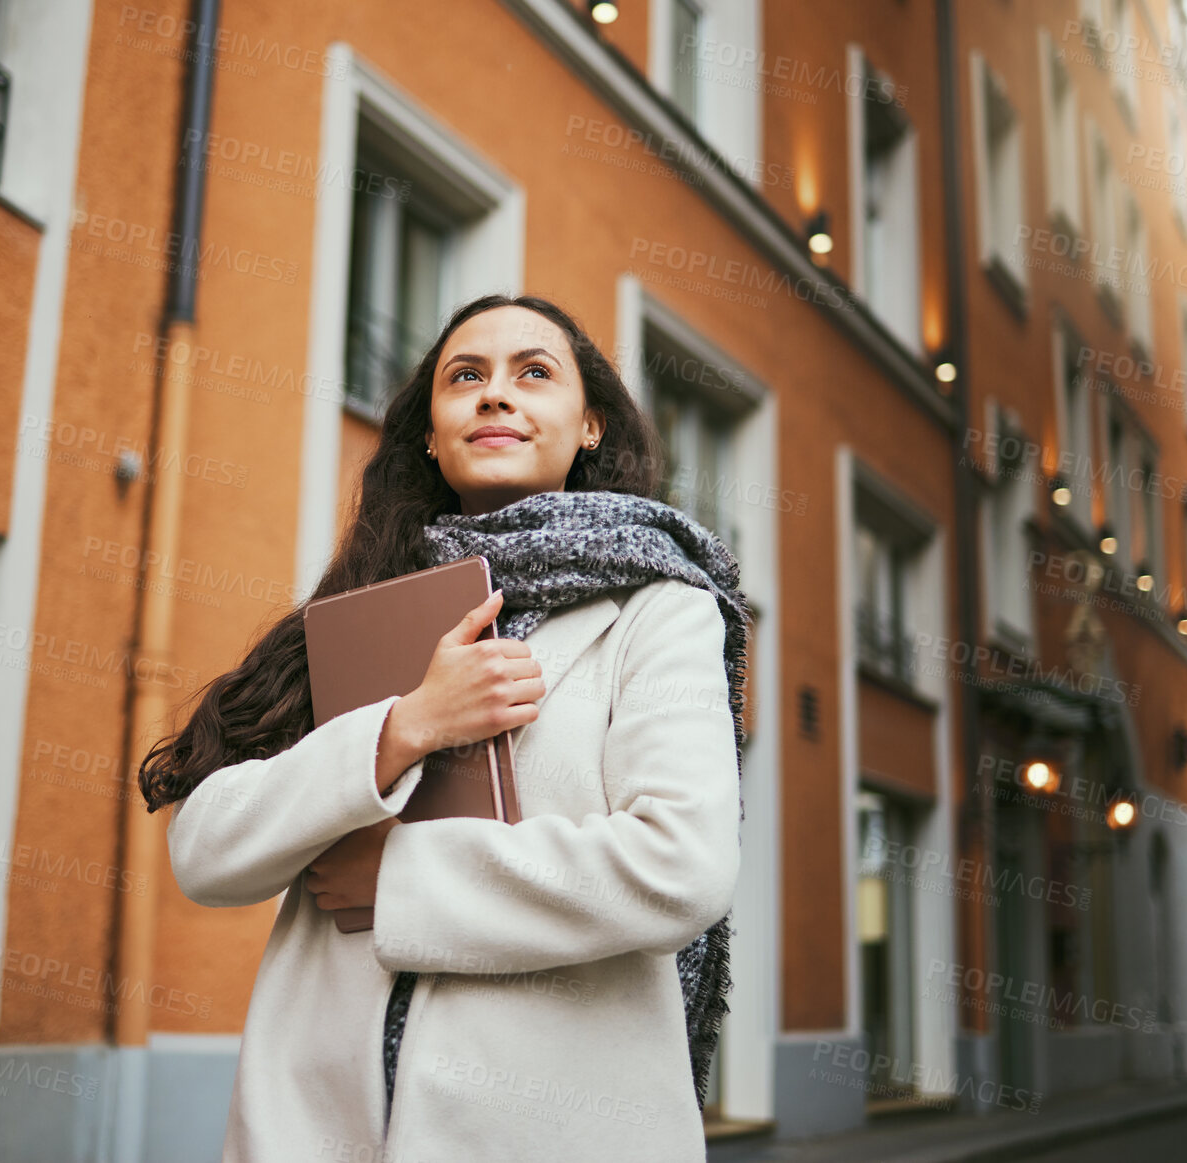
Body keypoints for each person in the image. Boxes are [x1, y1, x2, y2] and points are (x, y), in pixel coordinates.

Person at [139, 294, 750, 1163]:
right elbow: (204, 850)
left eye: (533, 373)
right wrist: (402, 728)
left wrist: (396, 878)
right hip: (311, 1131)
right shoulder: (359, 611)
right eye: (465, 376)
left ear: (589, 426)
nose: (494, 394)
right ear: (430, 433)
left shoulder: (661, 608)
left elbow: (681, 863)